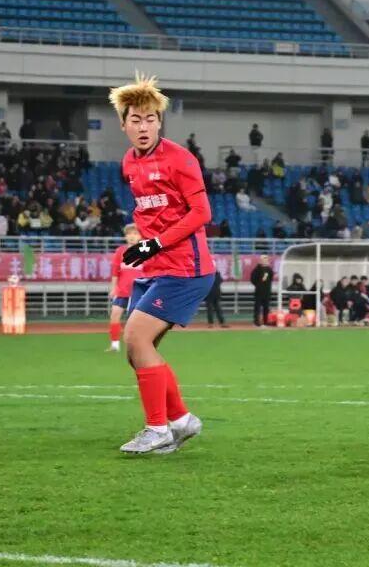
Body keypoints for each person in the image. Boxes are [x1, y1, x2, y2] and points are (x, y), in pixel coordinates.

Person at [111, 75, 214, 455]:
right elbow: (151, 212)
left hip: (187, 268)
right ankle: (181, 420)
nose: (144, 127)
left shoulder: (180, 159)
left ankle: (158, 429)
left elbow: (201, 213)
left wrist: (153, 243)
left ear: (160, 122)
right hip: (158, 266)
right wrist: (146, 247)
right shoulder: (129, 162)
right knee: (136, 350)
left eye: (151, 119)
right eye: (136, 120)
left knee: (137, 339)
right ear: (123, 125)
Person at [107, 224, 145, 351]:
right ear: (125, 236)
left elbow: (150, 272)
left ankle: (135, 345)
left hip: (137, 292)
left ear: (140, 236)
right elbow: (115, 271)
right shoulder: (120, 251)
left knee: (134, 321)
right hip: (122, 290)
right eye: (129, 234)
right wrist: (113, 288)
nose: (132, 236)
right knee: (114, 315)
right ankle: (114, 345)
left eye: (135, 234)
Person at [250, 255, 274, 327]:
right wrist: (258, 285)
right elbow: (252, 279)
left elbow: (271, 279)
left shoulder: (269, 270)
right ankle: (256, 322)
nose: (265, 260)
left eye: (266, 259)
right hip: (259, 291)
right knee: (257, 307)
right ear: (260, 260)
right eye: (263, 259)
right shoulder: (257, 269)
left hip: (267, 292)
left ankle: (265, 322)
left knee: (266, 308)